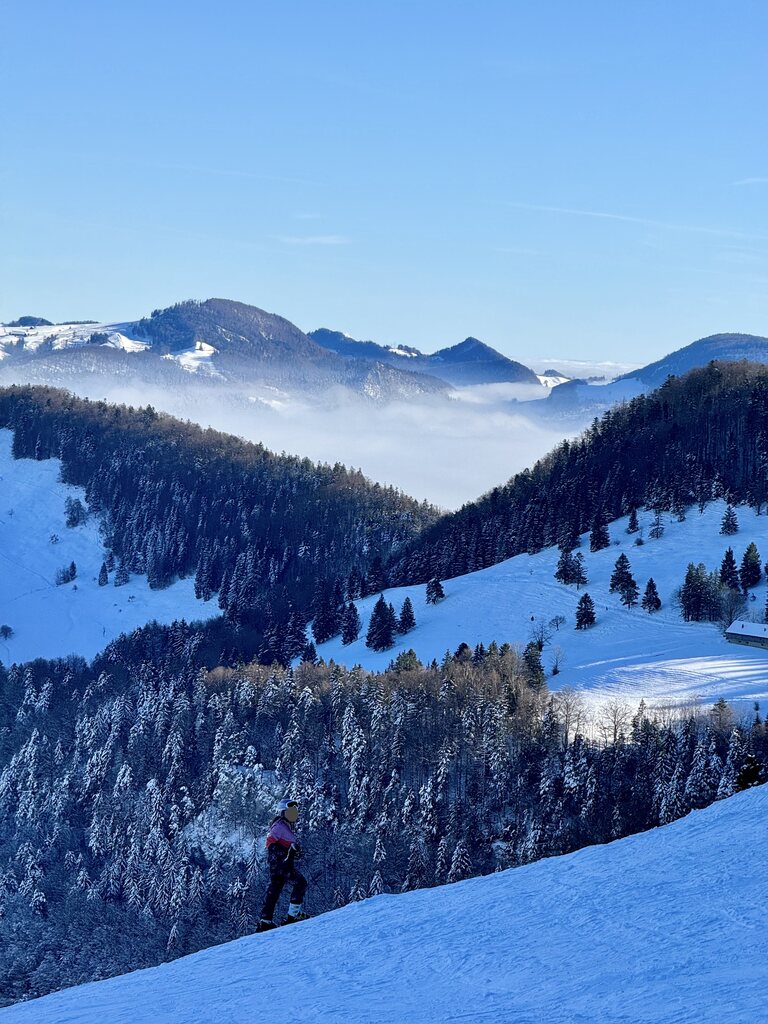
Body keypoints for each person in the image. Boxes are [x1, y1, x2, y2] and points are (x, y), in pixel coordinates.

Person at [256, 797, 309, 932]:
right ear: (282, 813)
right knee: (300, 883)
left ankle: (265, 921)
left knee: (274, 889)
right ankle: (293, 916)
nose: (294, 815)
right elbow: (270, 842)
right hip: (282, 865)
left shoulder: (286, 826)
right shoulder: (279, 826)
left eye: (295, 812)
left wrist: (293, 852)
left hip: (278, 865)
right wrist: (284, 855)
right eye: (290, 812)